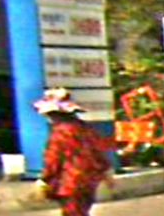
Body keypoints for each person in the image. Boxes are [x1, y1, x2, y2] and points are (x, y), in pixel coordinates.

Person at [33, 88, 114, 216]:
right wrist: (106, 173)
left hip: (69, 182)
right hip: (88, 181)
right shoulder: (85, 128)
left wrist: (44, 179)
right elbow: (98, 152)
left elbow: (53, 159)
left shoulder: (60, 133)